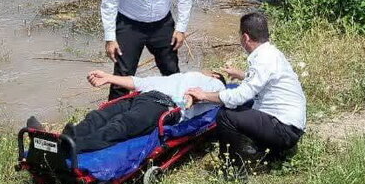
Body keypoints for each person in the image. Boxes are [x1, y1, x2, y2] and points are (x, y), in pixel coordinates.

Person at [186, 12, 306, 171]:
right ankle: (265, 150)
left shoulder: (263, 59)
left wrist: (204, 95)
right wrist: (243, 75)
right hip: (291, 124)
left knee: (226, 115)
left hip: (285, 130)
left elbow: (239, 95)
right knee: (242, 106)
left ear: (245, 38)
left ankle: (234, 169)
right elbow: (265, 81)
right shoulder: (271, 52)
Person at [27, 70, 225, 154]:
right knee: (97, 116)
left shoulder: (215, 83)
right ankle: (61, 139)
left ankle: (66, 147)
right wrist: (109, 77)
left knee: (121, 125)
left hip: (163, 104)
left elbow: (213, 98)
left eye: (214, 70)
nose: (210, 69)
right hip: (141, 96)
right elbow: (138, 82)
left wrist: (192, 98)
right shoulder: (180, 76)